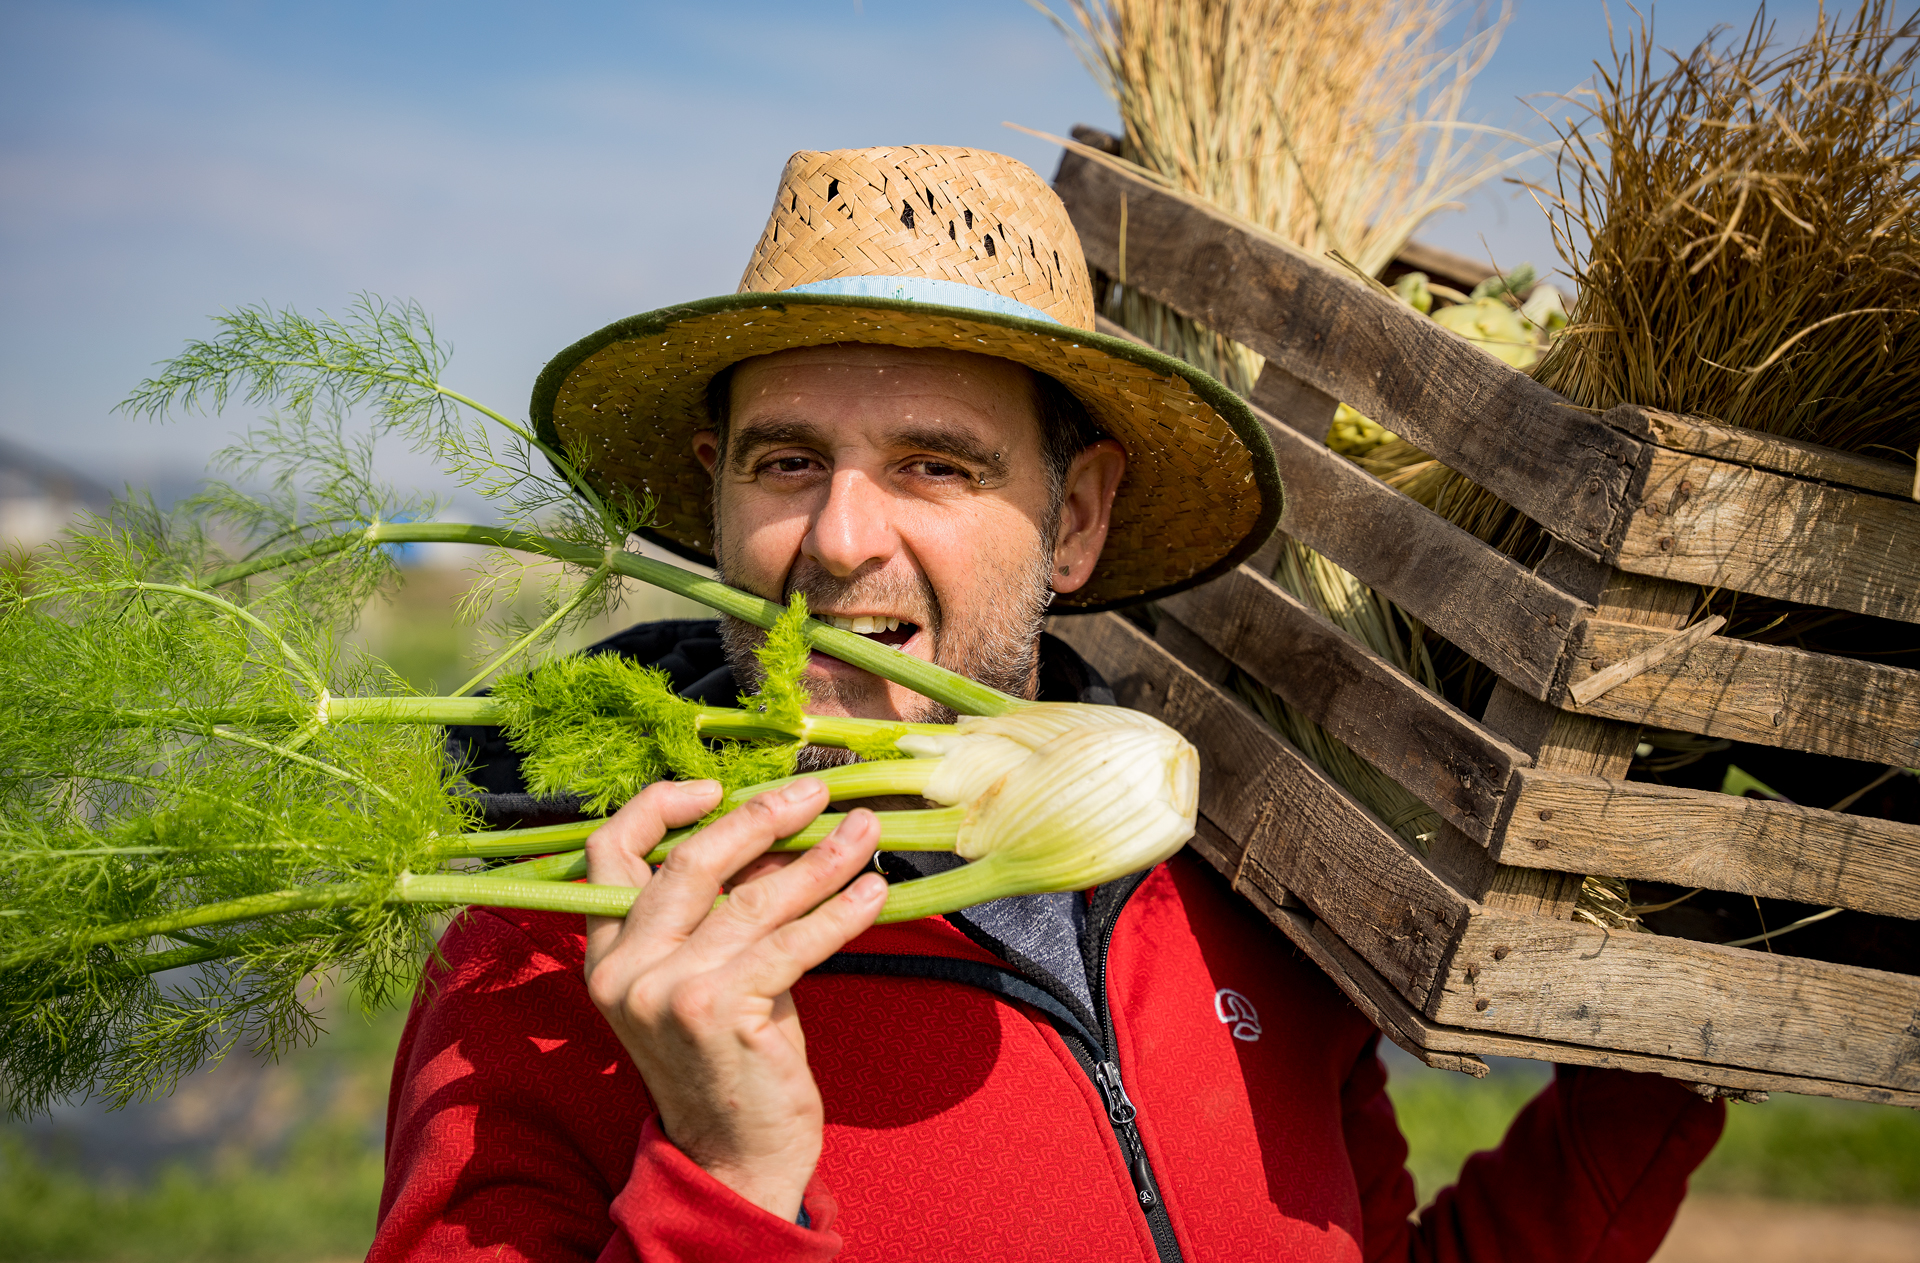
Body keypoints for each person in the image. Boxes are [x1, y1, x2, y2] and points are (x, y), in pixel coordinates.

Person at [369, 145, 1723, 1262]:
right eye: (789, 461)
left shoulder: (1238, 886)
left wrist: (1662, 1066)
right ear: (719, 490)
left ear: (1073, 521)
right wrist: (729, 1178)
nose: (839, 538)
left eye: (933, 467)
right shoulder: (568, 943)